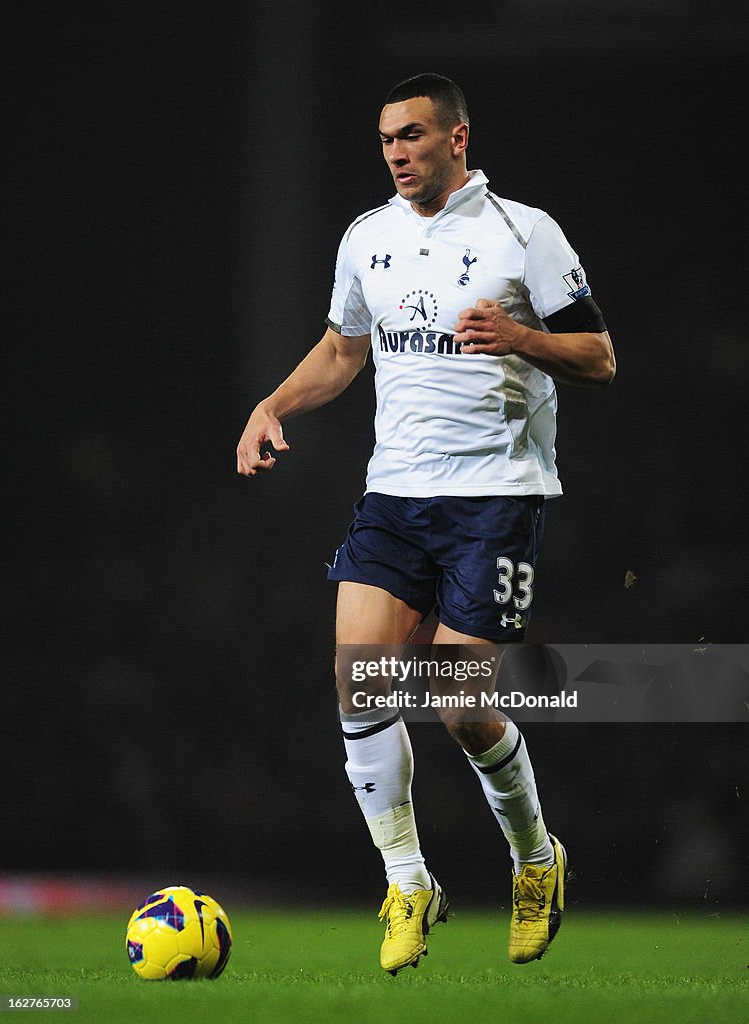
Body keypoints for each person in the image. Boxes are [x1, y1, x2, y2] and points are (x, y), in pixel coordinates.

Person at [236, 72, 615, 975]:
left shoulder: (525, 233)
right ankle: (408, 882)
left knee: (458, 703)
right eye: (385, 140)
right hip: (395, 495)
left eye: (412, 136)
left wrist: (522, 338)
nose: (397, 153)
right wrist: (272, 406)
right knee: (359, 683)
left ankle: (535, 858)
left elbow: (599, 355)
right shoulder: (368, 238)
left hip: (499, 496)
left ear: (458, 139)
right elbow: (342, 350)